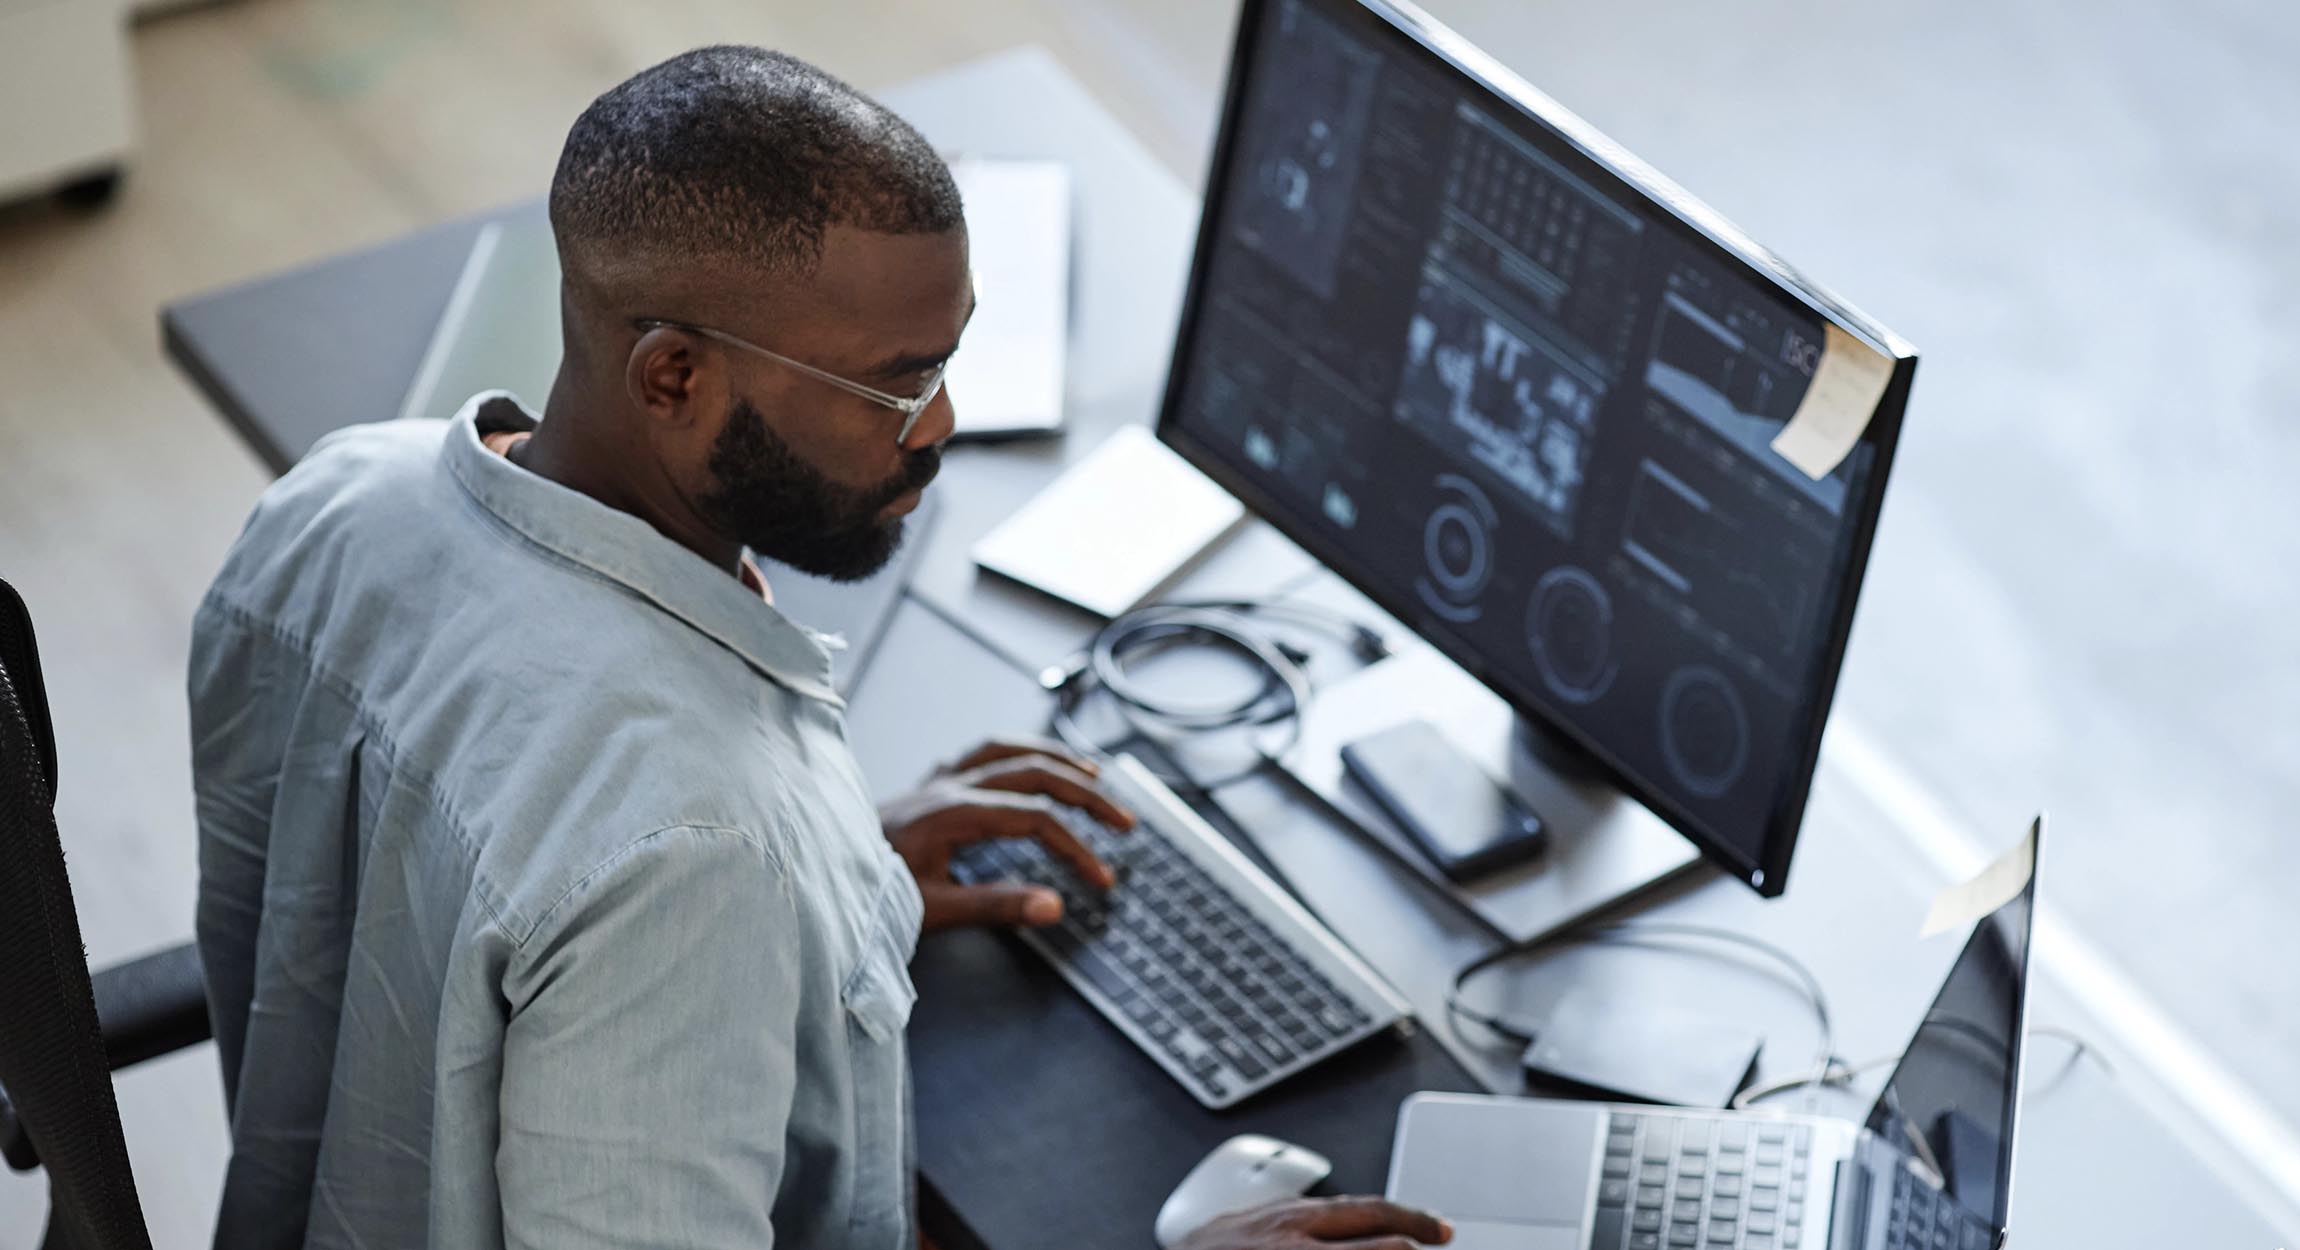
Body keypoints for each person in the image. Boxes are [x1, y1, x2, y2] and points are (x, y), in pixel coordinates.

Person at [188, 43, 1454, 1250]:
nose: (941, 422)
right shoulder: (693, 856)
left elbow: (477, 868)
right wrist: (737, 900)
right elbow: (640, 860)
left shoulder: (339, 496)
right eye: (897, 385)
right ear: (673, 377)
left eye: (950, 359)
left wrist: (831, 894)